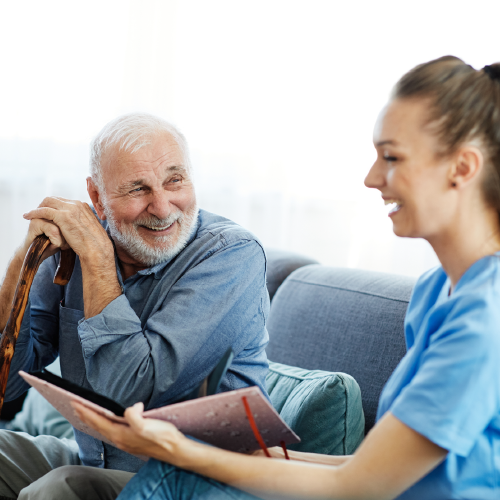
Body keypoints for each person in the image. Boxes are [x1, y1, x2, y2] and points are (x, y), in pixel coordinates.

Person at [65, 56, 500, 500]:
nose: (371, 178)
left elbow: (360, 487)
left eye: (391, 157)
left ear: (462, 168)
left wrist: (178, 449)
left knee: (177, 477)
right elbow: (369, 467)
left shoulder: (485, 318)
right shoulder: (435, 291)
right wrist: (260, 459)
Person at [0, 113, 270, 499]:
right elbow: (8, 384)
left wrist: (96, 259)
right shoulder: (75, 245)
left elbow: (130, 392)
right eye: (137, 189)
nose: (162, 207)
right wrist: (23, 259)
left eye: (175, 180)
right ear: (98, 198)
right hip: (97, 461)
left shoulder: (231, 256)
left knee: (60, 489)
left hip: (189, 484)